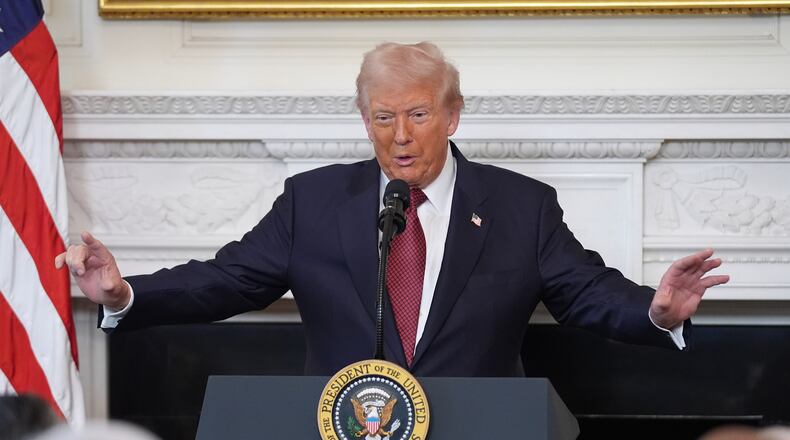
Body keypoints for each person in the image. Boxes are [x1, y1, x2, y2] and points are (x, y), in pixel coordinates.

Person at [55, 42, 729, 377]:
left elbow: (588, 293)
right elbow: (225, 280)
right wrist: (123, 292)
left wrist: (654, 311)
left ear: (452, 115)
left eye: (416, 114)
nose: (399, 136)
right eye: (382, 117)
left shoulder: (519, 206)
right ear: (363, 118)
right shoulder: (314, 201)